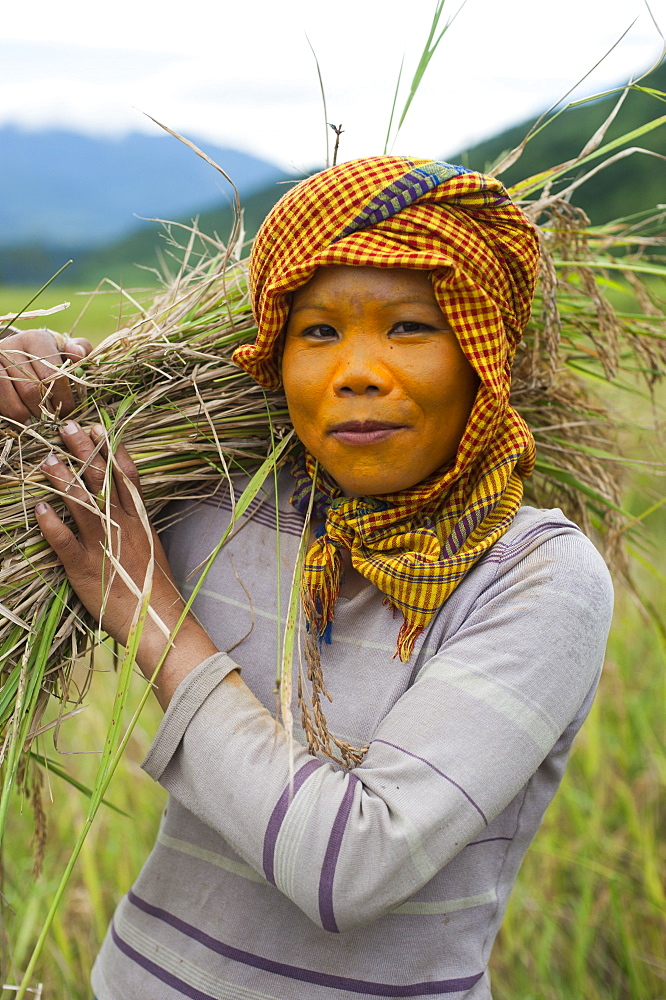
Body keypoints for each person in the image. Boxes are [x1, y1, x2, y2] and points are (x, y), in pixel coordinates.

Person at [1, 156, 614, 999]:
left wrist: (146, 611)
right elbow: (41, 503)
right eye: (318, 331)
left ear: (484, 355)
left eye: (410, 328)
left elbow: (352, 867)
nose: (356, 369)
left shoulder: (534, 575)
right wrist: (38, 388)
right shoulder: (220, 498)